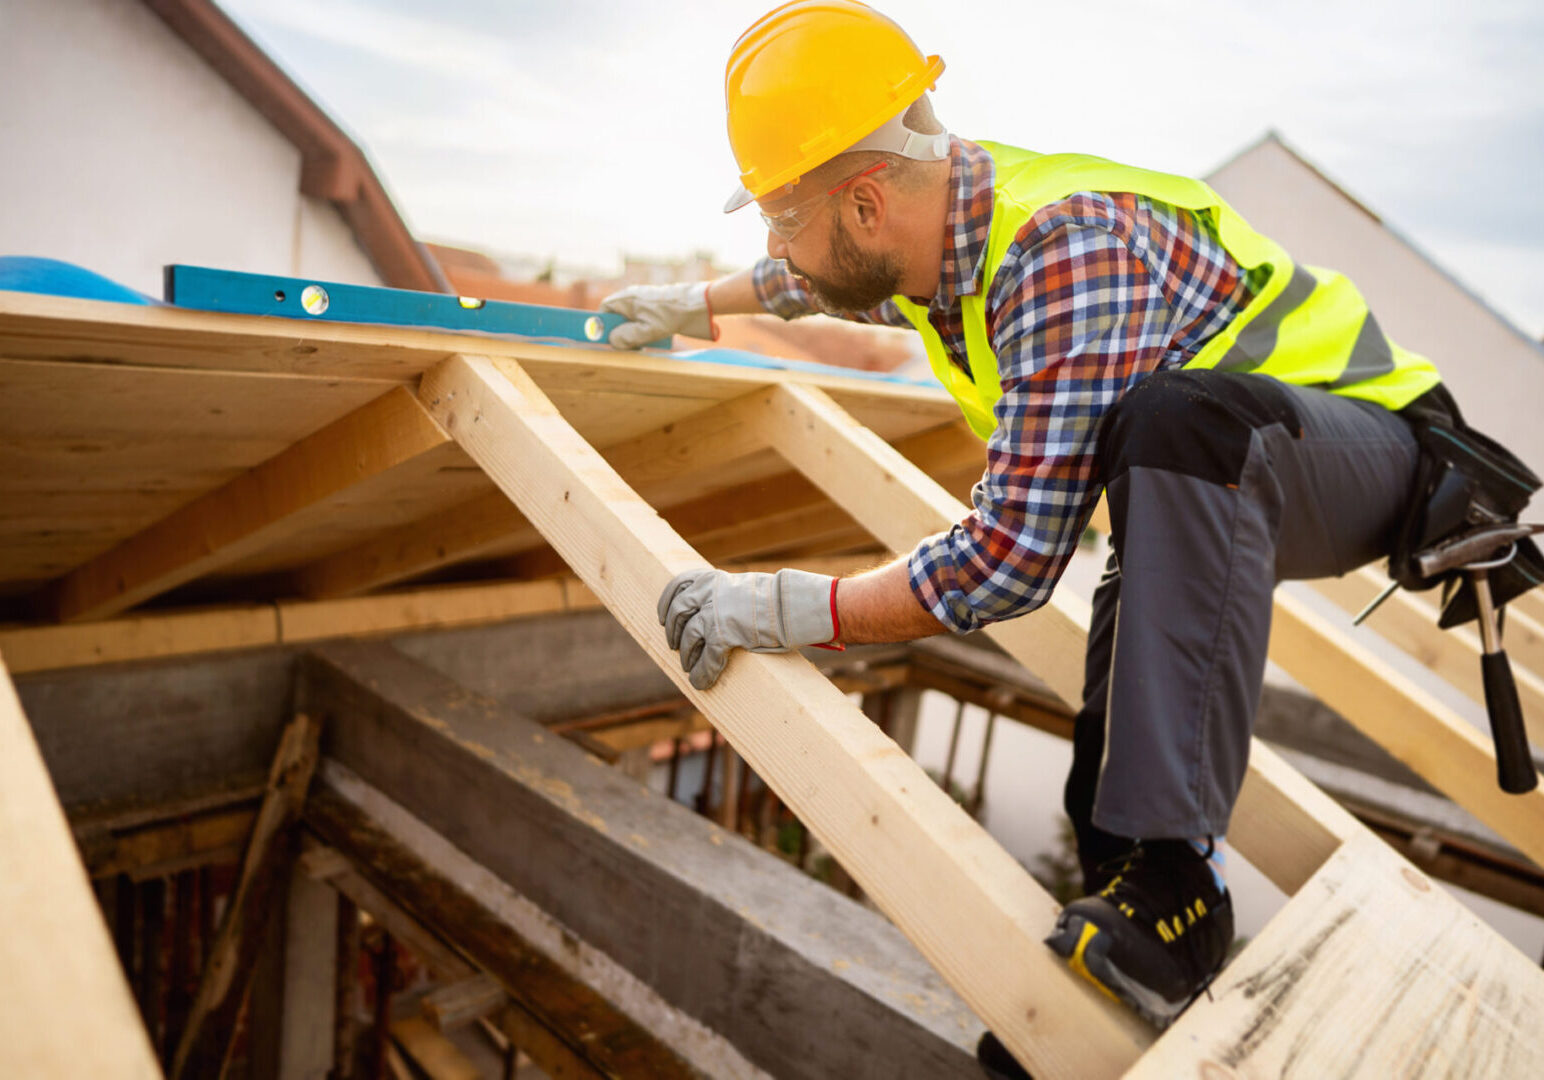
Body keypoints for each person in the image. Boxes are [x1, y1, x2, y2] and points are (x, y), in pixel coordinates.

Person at [603, 0, 1446, 1058]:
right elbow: (810, 272)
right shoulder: (930, 228)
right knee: (1123, 682)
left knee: (1171, 425)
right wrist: (697, 303)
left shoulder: (1059, 250)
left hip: (1373, 451)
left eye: (777, 215)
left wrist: (788, 607)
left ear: (865, 201)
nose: (776, 245)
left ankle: (1180, 888)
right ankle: (1116, 972)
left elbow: (1006, 564)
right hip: (1226, 474)